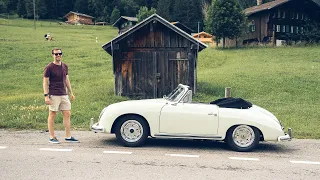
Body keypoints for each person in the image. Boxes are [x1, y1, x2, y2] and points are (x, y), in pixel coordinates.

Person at [43, 48, 79, 144]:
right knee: (52, 114)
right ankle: (52, 136)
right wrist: (46, 96)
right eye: (56, 54)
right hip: (53, 94)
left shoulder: (64, 66)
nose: (58, 55)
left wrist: (71, 92)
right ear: (52, 55)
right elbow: (45, 82)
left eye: (60, 54)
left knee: (67, 113)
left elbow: (67, 79)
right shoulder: (49, 67)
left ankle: (68, 136)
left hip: (64, 94)